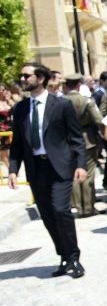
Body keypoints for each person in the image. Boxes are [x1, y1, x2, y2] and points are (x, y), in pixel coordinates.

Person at [8, 63, 87, 278]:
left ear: (41, 78)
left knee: (60, 210)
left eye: (26, 76)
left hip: (60, 166)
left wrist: (81, 165)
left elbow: (76, 138)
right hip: (36, 168)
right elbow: (17, 144)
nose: (22, 79)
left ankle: (73, 257)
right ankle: (64, 256)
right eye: (21, 76)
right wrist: (13, 169)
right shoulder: (21, 108)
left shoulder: (61, 105)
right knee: (48, 216)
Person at [63, 74, 104, 217]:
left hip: (66, 141)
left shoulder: (59, 101)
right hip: (86, 138)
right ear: (79, 86)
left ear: (66, 86)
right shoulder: (87, 101)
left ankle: (78, 207)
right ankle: (88, 207)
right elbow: (98, 120)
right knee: (88, 174)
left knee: (73, 174)